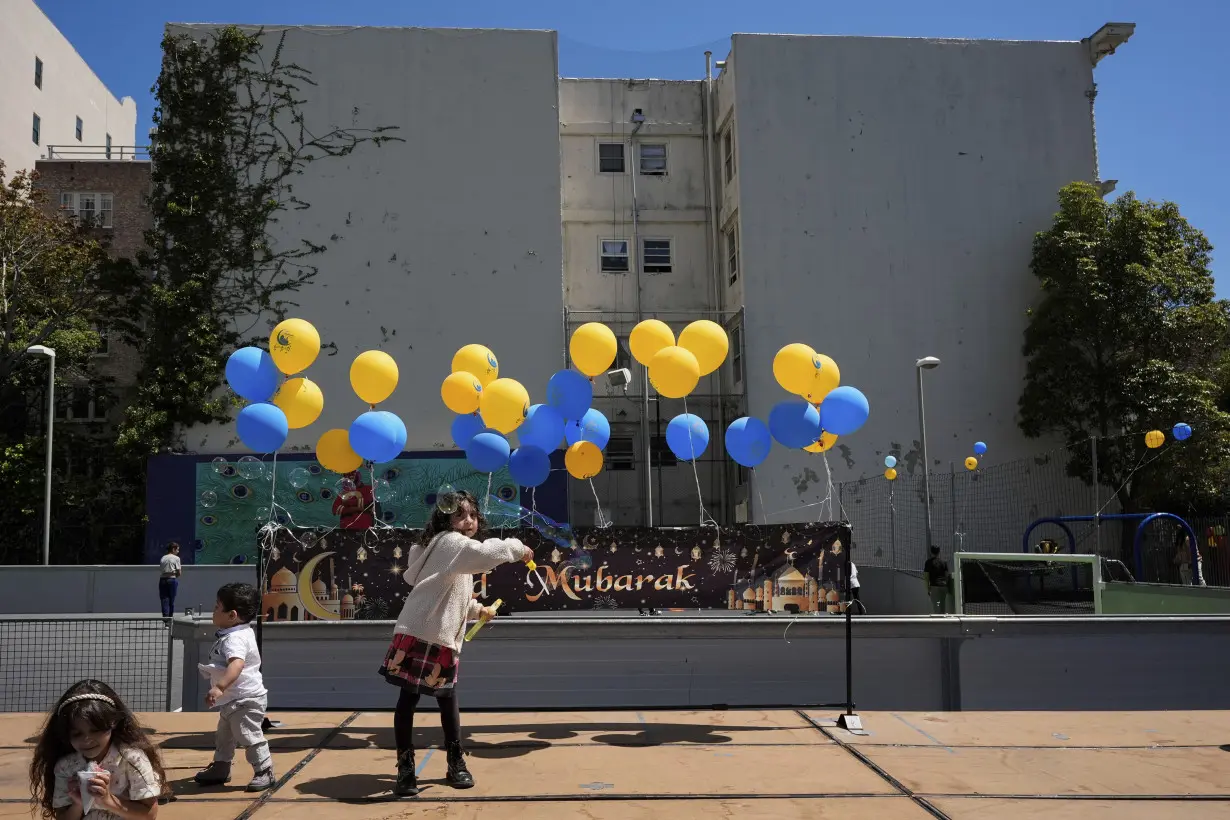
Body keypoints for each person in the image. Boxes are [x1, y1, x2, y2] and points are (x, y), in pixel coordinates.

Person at [378, 489, 534, 797]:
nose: (468, 521)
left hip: (437, 635)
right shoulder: (451, 543)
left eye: (473, 515)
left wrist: (478, 610)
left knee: (444, 699)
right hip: (422, 632)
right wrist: (518, 548)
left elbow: (453, 595)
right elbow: (488, 554)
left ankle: (454, 761)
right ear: (445, 519)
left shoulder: (453, 553)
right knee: (412, 700)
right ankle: (407, 769)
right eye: (460, 514)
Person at [29, 678, 167, 820]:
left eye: (95, 730)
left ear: (113, 723)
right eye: (77, 733)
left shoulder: (132, 760)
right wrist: (78, 803)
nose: (86, 739)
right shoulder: (65, 767)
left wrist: (108, 800)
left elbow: (149, 814)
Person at [193, 583, 274, 792]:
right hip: (233, 700)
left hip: (244, 700)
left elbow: (236, 664)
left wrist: (219, 686)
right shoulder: (239, 632)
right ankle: (221, 767)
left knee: (248, 735)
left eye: (217, 607)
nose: (213, 611)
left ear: (232, 615)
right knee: (224, 736)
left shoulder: (235, 639)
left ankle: (264, 770)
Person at [157, 543, 181, 620]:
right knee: (171, 600)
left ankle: (166, 620)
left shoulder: (163, 558)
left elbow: (161, 570)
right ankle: (170, 619)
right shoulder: (176, 558)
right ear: (173, 549)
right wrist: (174, 575)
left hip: (162, 580)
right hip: (172, 579)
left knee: (164, 600)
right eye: (177, 549)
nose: (178, 551)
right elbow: (179, 572)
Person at [923, 546, 950, 614]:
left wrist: (928, 588)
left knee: (936, 605)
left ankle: (938, 621)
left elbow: (926, 577)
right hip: (943, 586)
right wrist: (946, 585)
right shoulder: (944, 562)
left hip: (934, 587)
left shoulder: (928, 562)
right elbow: (947, 575)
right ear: (939, 552)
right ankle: (943, 618)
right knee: (942, 604)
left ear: (931, 552)